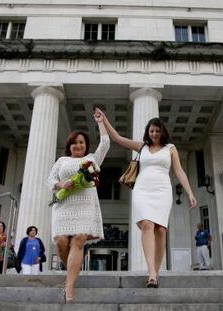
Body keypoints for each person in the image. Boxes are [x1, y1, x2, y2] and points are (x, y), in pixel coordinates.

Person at [96, 108, 197, 288]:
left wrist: (189, 192)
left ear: (162, 131)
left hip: (163, 190)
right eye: (151, 131)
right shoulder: (141, 147)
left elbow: (179, 171)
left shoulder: (170, 148)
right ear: (147, 132)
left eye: (157, 130)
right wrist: (103, 120)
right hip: (142, 190)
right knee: (147, 225)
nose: (154, 133)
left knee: (161, 231)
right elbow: (118, 138)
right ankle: (151, 272)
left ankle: (155, 272)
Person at [47, 108, 109, 302]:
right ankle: (72, 273)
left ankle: (69, 288)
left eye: (81, 142)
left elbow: (105, 143)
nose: (78, 145)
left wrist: (101, 122)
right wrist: (61, 184)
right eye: (74, 142)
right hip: (63, 205)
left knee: (78, 240)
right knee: (61, 242)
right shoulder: (62, 160)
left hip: (85, 205)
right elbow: (50, 180)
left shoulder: (91, 159)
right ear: (69, 145)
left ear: (86, 145)